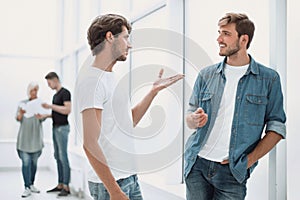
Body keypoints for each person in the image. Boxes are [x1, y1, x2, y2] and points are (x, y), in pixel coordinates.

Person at [74, 14, 184, 200]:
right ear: (110, 37)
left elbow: (127, 121)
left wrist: (153, 92)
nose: (129, 45)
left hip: (128, 178)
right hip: (111, 185)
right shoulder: (92, 82)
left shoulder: (111, 77)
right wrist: (115, 191)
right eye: (125, 38)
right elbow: (90, 144)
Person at [184, 12, 286, 200]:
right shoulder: (206, 75)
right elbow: (190, 115)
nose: (219, 39)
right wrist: (193, 119)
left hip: (231, 172)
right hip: (197, 165)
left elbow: (277, 127)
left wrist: (248, 161)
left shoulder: (268, 79)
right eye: (219, 33)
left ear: (243, 39)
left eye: (226, 34)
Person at [42, 72, 72, 197]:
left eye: (49, 83)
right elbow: (57, 113)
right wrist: (46, 115)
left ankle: (66, 186)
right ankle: (60, 184)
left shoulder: (65, 93)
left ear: (55, 80)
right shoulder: (56, 95)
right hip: (55, 128)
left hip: (62, 129)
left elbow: (67, 110)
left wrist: (50, 106)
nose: (49, 86)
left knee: (63, 156)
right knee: (57, 156)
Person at [16, 82, 45, 198]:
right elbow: (18, 119)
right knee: (26, 163)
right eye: (33, 90)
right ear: (29, 91)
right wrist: (21, 113)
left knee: (34, 163)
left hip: (36, 139)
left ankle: (32, 184)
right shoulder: (22, 104)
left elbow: (43, 118)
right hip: (24, 140)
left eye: (36, 90)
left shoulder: (40, 104)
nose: (34, 92)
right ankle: (26, 187)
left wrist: (41, 116)